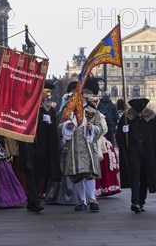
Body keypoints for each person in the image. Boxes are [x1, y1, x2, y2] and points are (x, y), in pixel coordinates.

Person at [60, 78, 103, 212]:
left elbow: (100, 128)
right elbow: (59, 126)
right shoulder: (67, 111)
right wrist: (67, 126)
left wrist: (92, 128)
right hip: (73, 147)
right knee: (77, 174)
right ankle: (81, 200)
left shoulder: (92, 111)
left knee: (89, 173)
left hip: (88, 147)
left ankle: (92, 198)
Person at [19, 81, 61, 212]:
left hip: (43, 149)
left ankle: (33, 200)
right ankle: (33, 201)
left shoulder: (48, 110)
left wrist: (49, 123)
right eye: (46, 92)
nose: (48, 95)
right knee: (31, 174)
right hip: (31, 147)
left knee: (37, 175)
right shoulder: (31, 109)